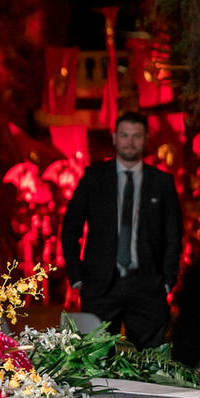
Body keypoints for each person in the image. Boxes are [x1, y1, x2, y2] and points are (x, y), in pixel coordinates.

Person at [61, 111, 183, 349]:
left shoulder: (162, 183)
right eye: (125, 135)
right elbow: (70, 228)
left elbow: (174, 236)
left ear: (146, 138)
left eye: (136, 136)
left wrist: (168, 280)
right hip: (100, 285)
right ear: (115, 138)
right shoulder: (93, 178)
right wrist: (76, 276)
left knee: (150, 363)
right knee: (95, 359)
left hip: (148, 285)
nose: (130, 141)